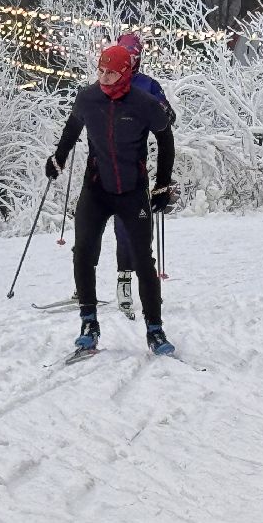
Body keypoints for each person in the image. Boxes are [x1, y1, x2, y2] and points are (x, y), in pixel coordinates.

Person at [48, 43, 177, 355]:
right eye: (100, 70)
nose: (104, 77)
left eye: (111, 73)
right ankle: (89, 324)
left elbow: (165, 138)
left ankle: (155, 329)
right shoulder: (88, 98)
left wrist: (162, 185)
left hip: (133, 190)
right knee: (83, 252)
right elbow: (72, 128)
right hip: (97, 188)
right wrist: (58, 158)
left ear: (125, 73)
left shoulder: (143, 103)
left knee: (143, 260)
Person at [110, 32, 175, 317]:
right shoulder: (107, 82)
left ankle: (144, 286)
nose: (129, 62)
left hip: (136, 167)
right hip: (105, 167)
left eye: (133, 57)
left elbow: (168, 118)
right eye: (125, 56)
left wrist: (159, 109)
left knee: (138, 228)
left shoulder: (147, 84)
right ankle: (118, 284)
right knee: (99, 229)